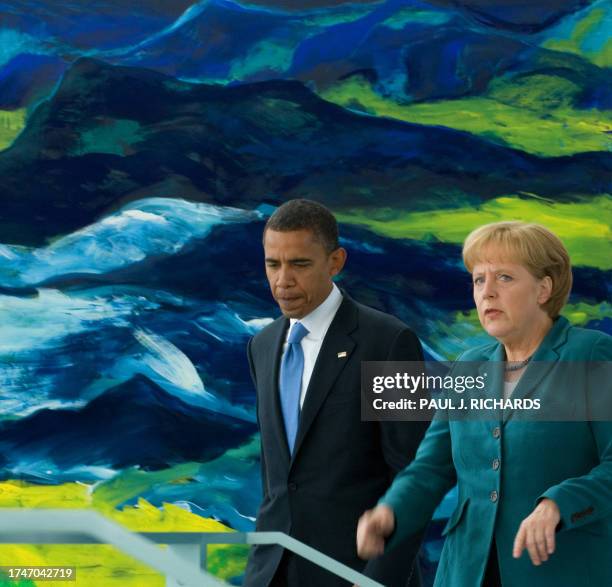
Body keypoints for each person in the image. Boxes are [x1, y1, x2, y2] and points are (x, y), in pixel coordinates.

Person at [356, 221, 612, 587]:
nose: (487, 293)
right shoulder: (469, 365)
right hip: (466, 573)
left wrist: (559, 504)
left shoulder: (590, 353)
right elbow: (431, 468)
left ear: (544, 288)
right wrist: (389, 512)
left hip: (559, 571)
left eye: (504, 278)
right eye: (479, 280)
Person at [244, 199, 429, 587]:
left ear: (335, 261)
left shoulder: (388, 341)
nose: (282, 281)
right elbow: (278, 482)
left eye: (299, 264)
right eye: (272, 264)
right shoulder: (261, 346)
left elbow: (415, 478)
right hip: (270, 574)